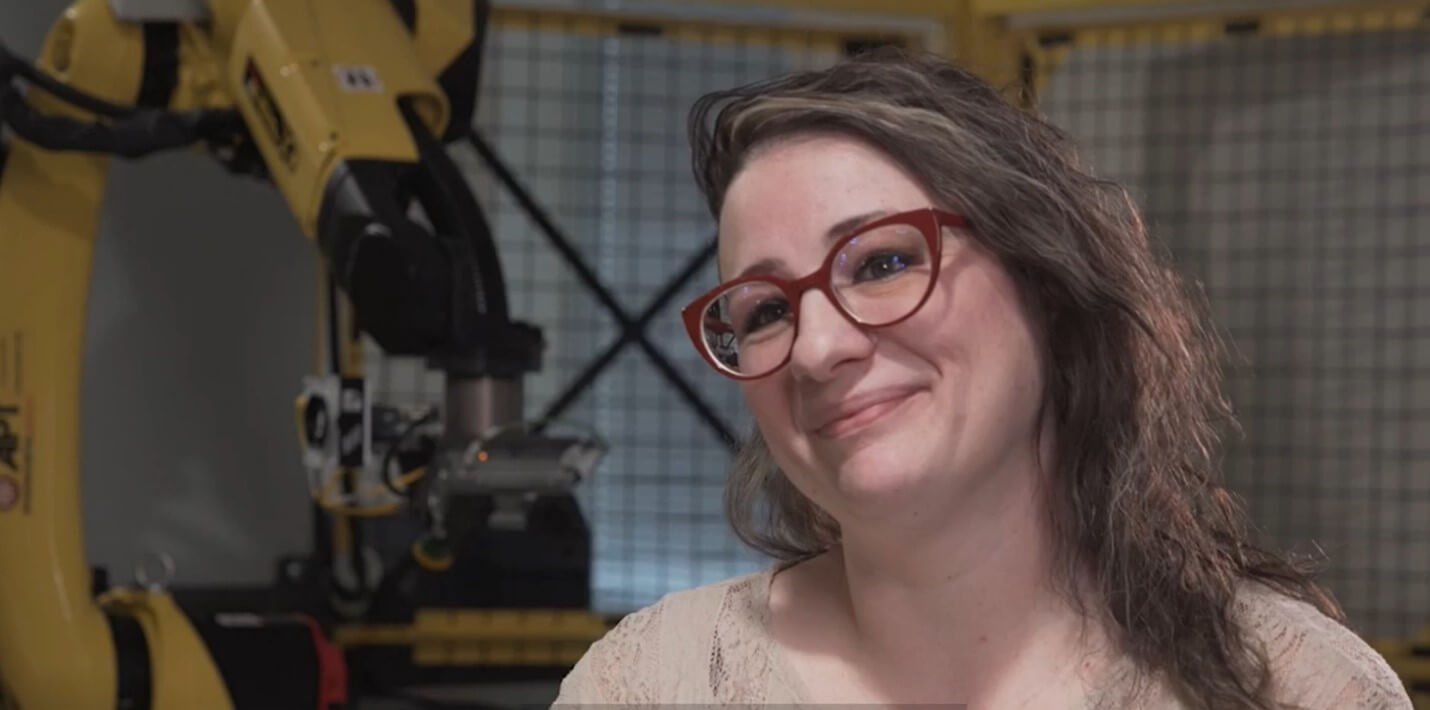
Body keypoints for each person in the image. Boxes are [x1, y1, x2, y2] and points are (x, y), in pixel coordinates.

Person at [552, 48, 1411, 708]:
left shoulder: (1294, 685)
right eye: (765, 311)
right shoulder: (649, 684)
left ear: (1045, 282)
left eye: (882, 261)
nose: (816, 349)